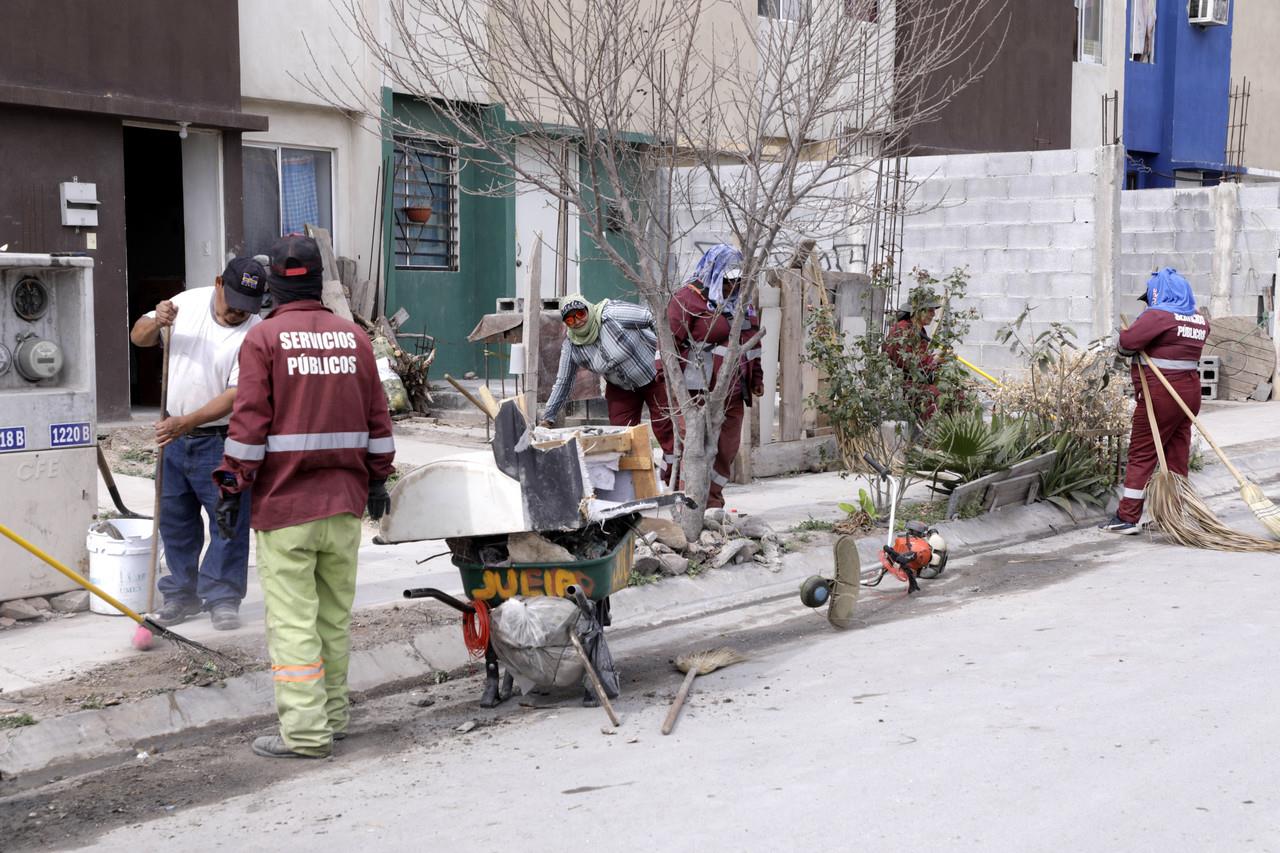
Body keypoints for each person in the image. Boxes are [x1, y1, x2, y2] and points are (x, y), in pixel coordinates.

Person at [215, 235, 395, 759]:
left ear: (273, 284)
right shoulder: (355, 339)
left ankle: (307, 735)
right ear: (319, 279)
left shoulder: (263, 341)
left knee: (293, 625)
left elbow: (248, 428)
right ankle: (333, 718)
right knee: (333, 620)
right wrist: (379, 479)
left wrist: (231, 486)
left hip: (287, 509)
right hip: (344, 506)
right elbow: (379, 423)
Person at [128, 258, 266, 630]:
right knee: (175, 520)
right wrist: (156, 320)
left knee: (227, 521)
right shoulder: (185, 303)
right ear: (219, 282)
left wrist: (185, 422)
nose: (239, 312)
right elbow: (138, 337)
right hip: (173, 439)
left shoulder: (256, 332)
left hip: (222, 439)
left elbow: (237, 394)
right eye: (233, 301)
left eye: (247, 306)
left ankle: (222, 597)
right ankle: (180, 595)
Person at [1101, 268, 1209, 534]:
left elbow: (1126, 343)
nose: (1148, 301)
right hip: (1189, 393)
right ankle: (1172, 514)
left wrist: (1133, 334)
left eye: (1150, 296)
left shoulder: (1157, 316)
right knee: (1176, 453)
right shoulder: (1199, 320)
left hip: (1160, 394)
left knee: (1142, 452)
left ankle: (1127, 517)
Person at [667, 244, 765, 508]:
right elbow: (667, 348)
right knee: (695, 449)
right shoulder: (686, 299)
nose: (733, 285)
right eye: (728, 278)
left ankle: (712, 503)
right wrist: (672, 391)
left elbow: (753, 344)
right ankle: (689, 506)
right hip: (697, 393)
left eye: (738, 279)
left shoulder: (742, 303)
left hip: (733, 392)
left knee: (725, 450)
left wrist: (756, 380)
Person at [539, 294, 677, 480]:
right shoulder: (571, 346)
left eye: (580, 313)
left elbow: (651, 316)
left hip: (654, 375)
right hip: (621, 387)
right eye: (570, 319)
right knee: (621, 437)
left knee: (666, 429)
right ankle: (639, 484)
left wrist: (664, 356)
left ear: (588, 308)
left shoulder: (611, 314)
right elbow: (563, 382)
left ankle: (675, 480)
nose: (577, 321)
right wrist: (548, 418)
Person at [884, 288, 944, 422]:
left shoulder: (920, 330)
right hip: (902, 384)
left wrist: (938, 363)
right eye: (929, 310)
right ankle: (928, 438)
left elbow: (921, 360)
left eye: (933, 310)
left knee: (954, 392)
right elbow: (906, 362)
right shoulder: (902, 329)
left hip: (917, 381)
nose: (933, 314)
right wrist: (933, 360)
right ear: (917, 311)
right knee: (933, 393)